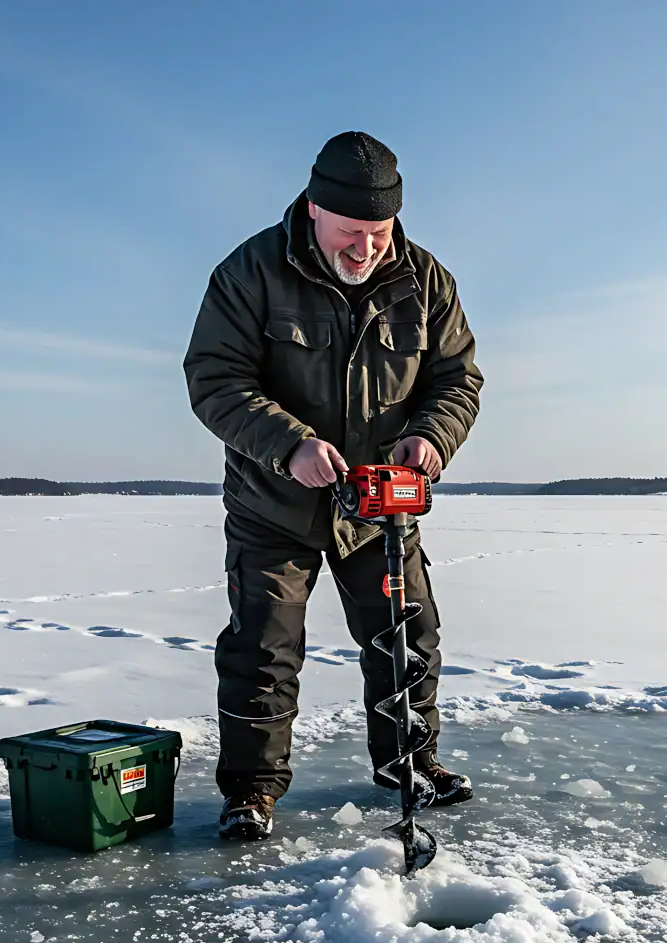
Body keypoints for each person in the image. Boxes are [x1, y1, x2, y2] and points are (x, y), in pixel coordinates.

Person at [184, 131, 483, 840]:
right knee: (264, 646)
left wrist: (431, 438)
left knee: (407, 637)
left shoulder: (425, 278)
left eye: (379, 232)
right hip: (274, 505)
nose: (367, 248)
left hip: (379, 507)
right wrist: (289, 445)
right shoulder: (250, 271)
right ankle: (252, 791)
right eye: (352, 232)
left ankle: (409, 764)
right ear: (315, 208)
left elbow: (457, 379)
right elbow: (215, 380)